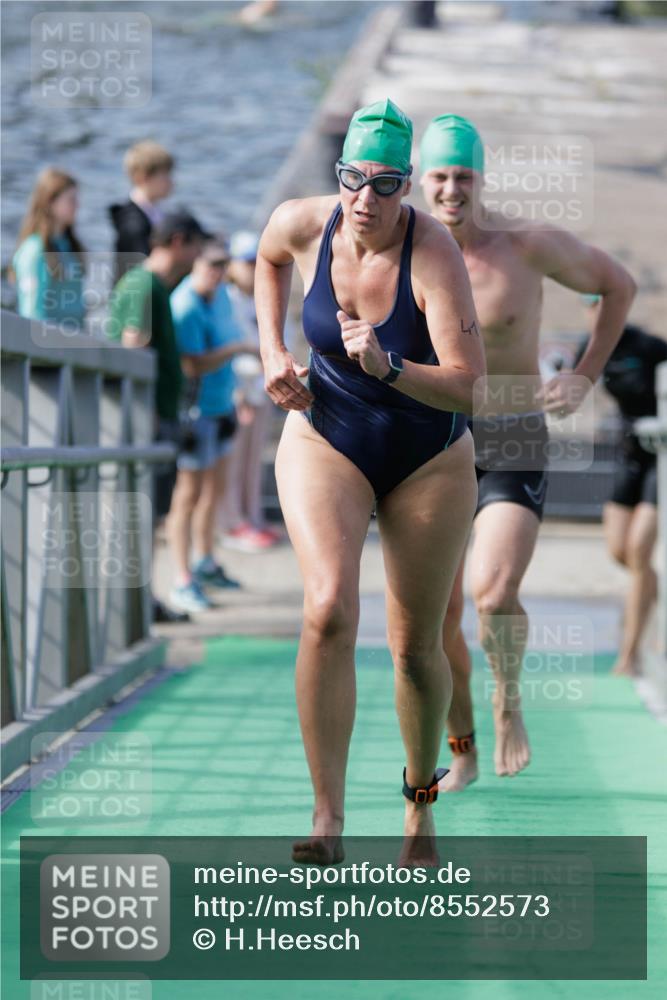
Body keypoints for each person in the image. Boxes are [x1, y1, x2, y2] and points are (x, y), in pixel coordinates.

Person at [256, 99, 485, 865]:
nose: (364, 198)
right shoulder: (304, 222)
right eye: (352, 177)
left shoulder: (434, 256)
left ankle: (419, 802)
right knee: (326, 609)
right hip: (327, 435)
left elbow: (469, 386)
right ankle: (327, 816)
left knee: (415, 647)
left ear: (406, 187)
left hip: (428, 456)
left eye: (384, 183)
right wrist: (271, 352)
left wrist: (388, 367)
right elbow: (267, 259)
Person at [418, 114, 636, 789]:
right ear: (420, 181)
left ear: (480, 179)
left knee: (493, 594)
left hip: (511, 430)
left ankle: (507, 700)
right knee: (438, 617)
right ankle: (462, 749)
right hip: (433, 440)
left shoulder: (525, 245)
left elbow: (617, 285)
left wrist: (584, 375)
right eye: (439, 176)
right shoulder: (402, 253)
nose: (451, 189)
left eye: (463, 176)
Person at [107, 208, 209, 623]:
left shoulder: (154, 285)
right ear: (179, 242)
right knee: (140, 512)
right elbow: (133, 346)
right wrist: (144, 413)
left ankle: (142, 603)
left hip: (156, 417)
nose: (199, 258)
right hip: (145, 422)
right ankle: (133, 608)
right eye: (197, 247)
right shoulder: (143, 283)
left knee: (151, 514)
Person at [168, 240, 261, 613]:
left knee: (213, 491)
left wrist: (239, 393)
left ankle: (205, 562)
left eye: (222, 265)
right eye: (210, 265)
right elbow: (192, 365)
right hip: (195, 413)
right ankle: (182, 578)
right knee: (187, 497)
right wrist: (237, 350)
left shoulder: (220, 294)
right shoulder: (185, 305)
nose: (217, 272)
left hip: (223, 405)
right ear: (194, 262)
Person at [575, 307, 667, 677]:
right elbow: (571, 388)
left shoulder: (647, 345)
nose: (597, 312)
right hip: (628, 454)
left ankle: (630, 655)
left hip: (661, 456)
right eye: (591, 304)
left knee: (639, 552)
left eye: (604, 302)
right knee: (620, 551)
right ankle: (653, 601)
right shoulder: (591, 345)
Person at [223, 230, 282, 550]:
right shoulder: (227, 299)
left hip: (261, 389)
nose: (252, 269)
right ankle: (233, 522)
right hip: (238, 391)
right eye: (246, 262)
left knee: (253, 459)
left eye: (255, 262)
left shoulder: (262, 297)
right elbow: (232, 348)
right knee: (233, 462)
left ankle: (253, 516)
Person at [12, 168, 86, 333]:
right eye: (71, 200)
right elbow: (32, 311)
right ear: (50, 202)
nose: (77, 206)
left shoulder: (70, 246)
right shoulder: (34, 250)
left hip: (74, 341)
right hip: (48, 344)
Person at [109, 141, 174, 283]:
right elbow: (144, 267)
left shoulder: (154, 213)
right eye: (165, 175)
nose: (171, 181)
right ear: (143, 177)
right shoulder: (132, 223)